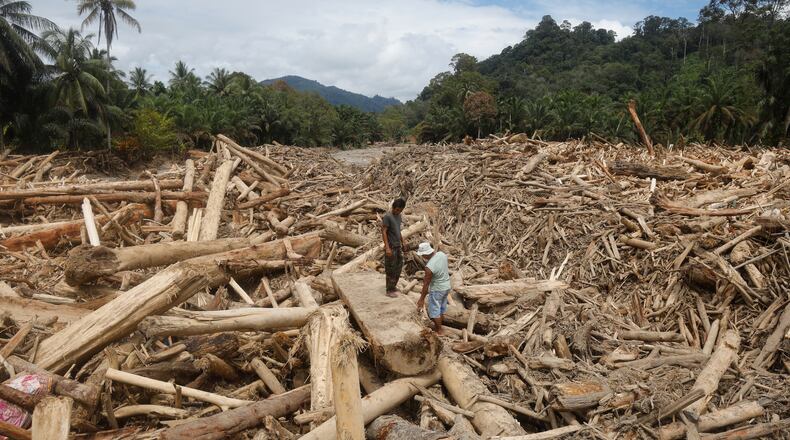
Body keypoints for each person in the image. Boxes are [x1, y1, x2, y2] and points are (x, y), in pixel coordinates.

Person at [415, 242, 451, 336]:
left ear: (426, 254)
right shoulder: (441, 254)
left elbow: (426, 285)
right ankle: (440, 327)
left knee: (434, 311)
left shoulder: (429, 267)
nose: (423, 257)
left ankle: (439, 331)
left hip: (437, 289)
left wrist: (421, 299)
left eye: (423, 255)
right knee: (441, 309)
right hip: (446, 286)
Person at [381, 198, 406, 297]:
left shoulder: (398, 216)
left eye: (400, 210)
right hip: (391, 246)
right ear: (393, 207)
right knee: (390, 268)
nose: (398, 212)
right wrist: (387, 247)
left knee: (398, 267)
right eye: (396, 210)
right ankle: (389, 290)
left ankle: (393, 286)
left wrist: (403, 241)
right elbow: (384, 232)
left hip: (397, 245)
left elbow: (398, 230)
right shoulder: (387, 217)